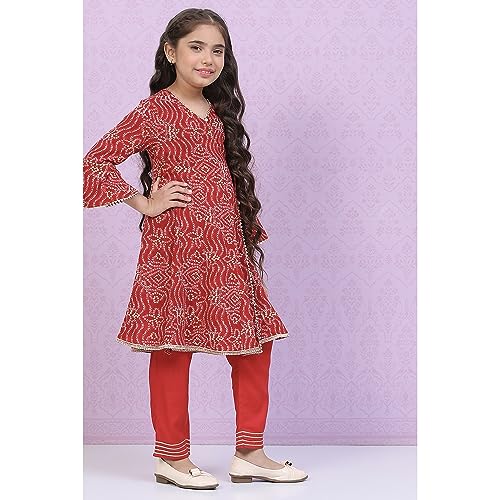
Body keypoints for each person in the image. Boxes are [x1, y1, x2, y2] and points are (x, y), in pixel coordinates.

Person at [83, 8, 308, 490]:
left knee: (254, 343)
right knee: (171, 346)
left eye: (218, 50)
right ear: (171, 52)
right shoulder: (153, 111)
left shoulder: (219, 110)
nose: (208, 59)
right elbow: (93, 163)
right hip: (174, 248)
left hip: (225, 247)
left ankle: (250, 453)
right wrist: (144, 201)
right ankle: (171, 457)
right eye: (196, 47)